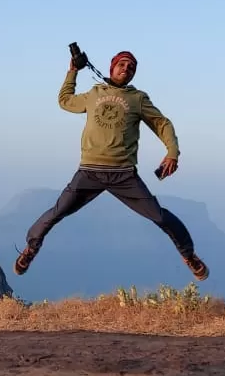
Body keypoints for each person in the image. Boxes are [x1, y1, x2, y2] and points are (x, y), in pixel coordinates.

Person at [13, 49, 209, 281]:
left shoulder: (138, 99)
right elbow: (65, 101)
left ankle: (189, 255)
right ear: (112, 67)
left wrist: (172, 152)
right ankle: (30, 249)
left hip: (123, 174)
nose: (126, 69)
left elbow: (162, 123)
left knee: (160, 217)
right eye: (122, 65)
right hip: (89, 172)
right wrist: (73, 71)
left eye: (131, 67)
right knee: (57, 212)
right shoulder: (94, 93)